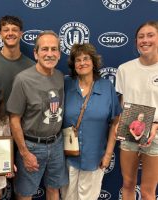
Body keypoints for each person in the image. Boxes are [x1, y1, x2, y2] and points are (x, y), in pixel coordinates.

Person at [7, 30, 68, 200]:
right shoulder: (23, 79)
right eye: (45, 49)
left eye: (54, 49)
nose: (50, 54)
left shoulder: (59, 76)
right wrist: (25, 152)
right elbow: (14, 119)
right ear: (36, 53)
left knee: (54, 189)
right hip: (32, 146)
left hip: (56, 143)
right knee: (25, 194)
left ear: (59, 53)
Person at [61, 43, 121, 200]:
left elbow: (115, 121)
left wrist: (108, 154)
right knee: (67, 196)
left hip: (95, 158)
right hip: (67, 158)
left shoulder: (106, 87)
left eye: (86, 59)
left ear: (93, 62)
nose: (82, 63)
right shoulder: (65, 85)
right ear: (73, 65)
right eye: (78, 60)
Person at [115, 20, 158, 200]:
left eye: (150, 35)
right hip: (129, 133)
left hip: (156, 136)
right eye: (141, 37)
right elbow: (122, 102)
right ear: (135, 42)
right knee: (128, 184)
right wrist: (121, 122)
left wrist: (156, 125)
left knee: (148, 191)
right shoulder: (125, 69)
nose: (145, 40)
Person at [0, 15, 35, 104]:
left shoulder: (31, 66)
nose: (10, 33)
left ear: (21, 34)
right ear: (0, 34)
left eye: (14, 30)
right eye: (6, 30)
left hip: (23, 117)